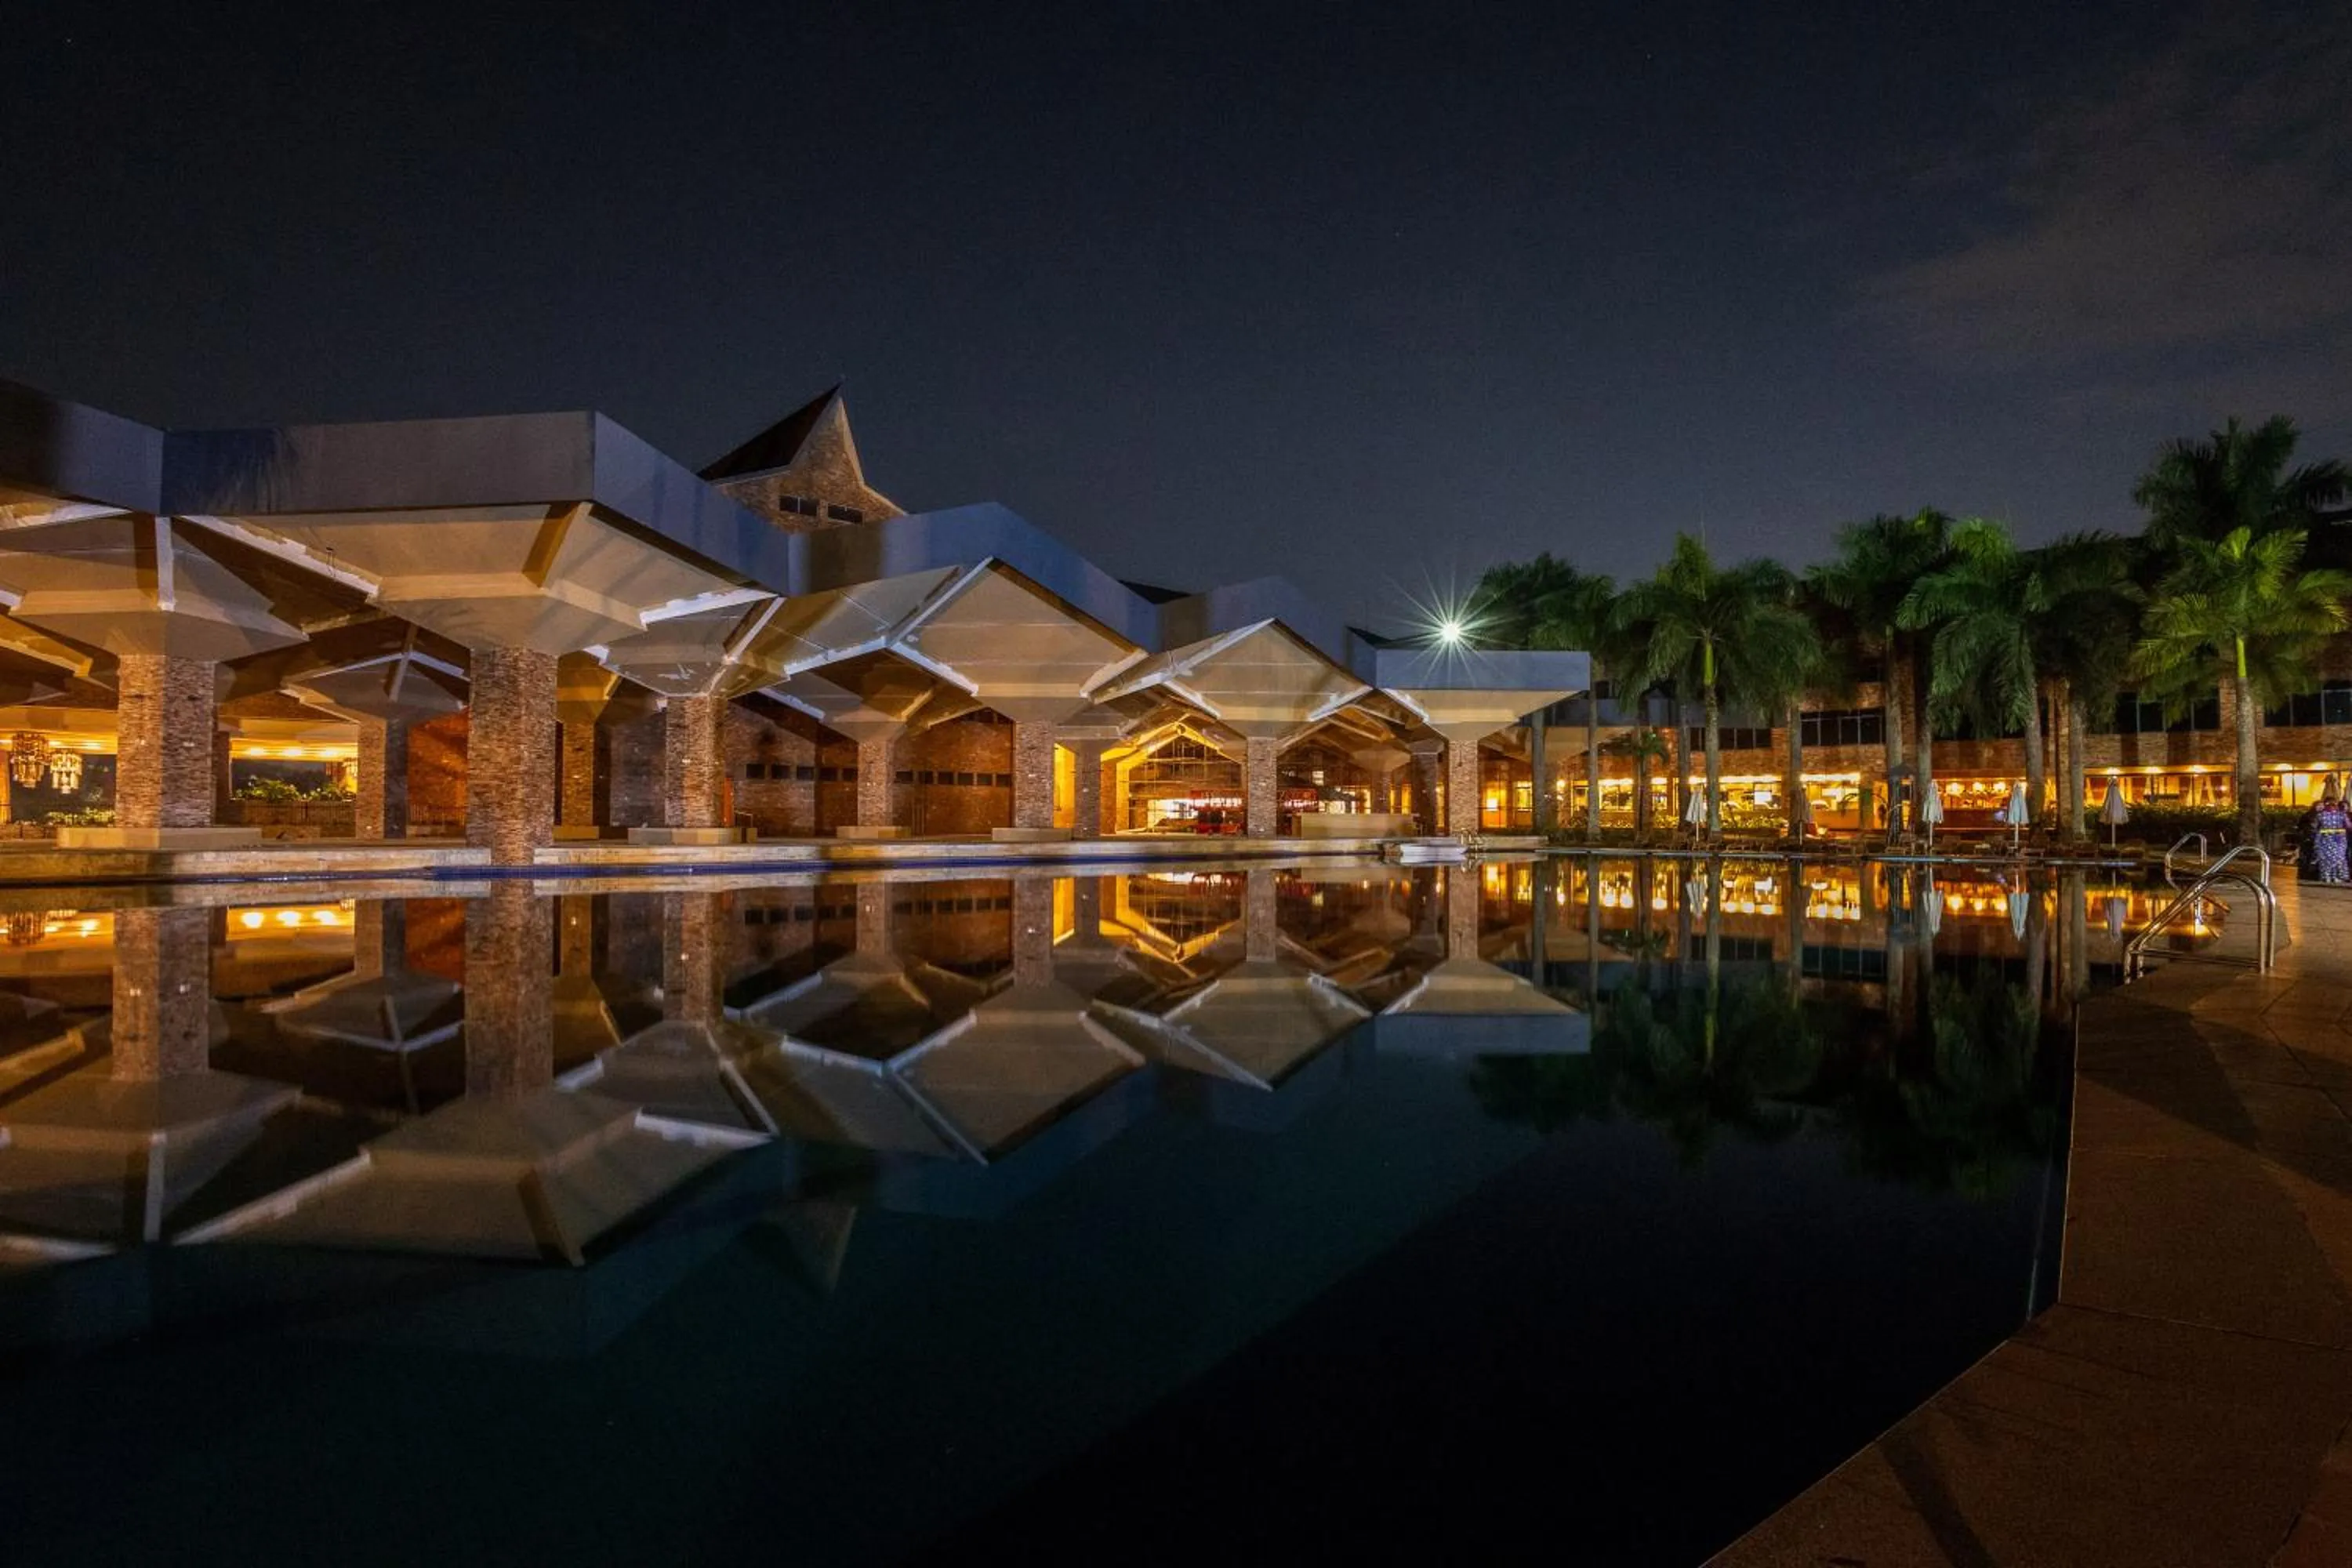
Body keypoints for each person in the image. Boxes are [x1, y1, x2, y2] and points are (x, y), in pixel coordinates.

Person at [2312, 782, 2351, 885]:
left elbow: (2315, 827)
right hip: (2335, 838)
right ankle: (2333, 876)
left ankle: (2330, 877)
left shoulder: (2321, 815)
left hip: (2331, 838)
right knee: (2335, 858)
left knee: (2331, 858)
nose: (2332, 806)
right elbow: (2349, 826)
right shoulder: (2341, 815)